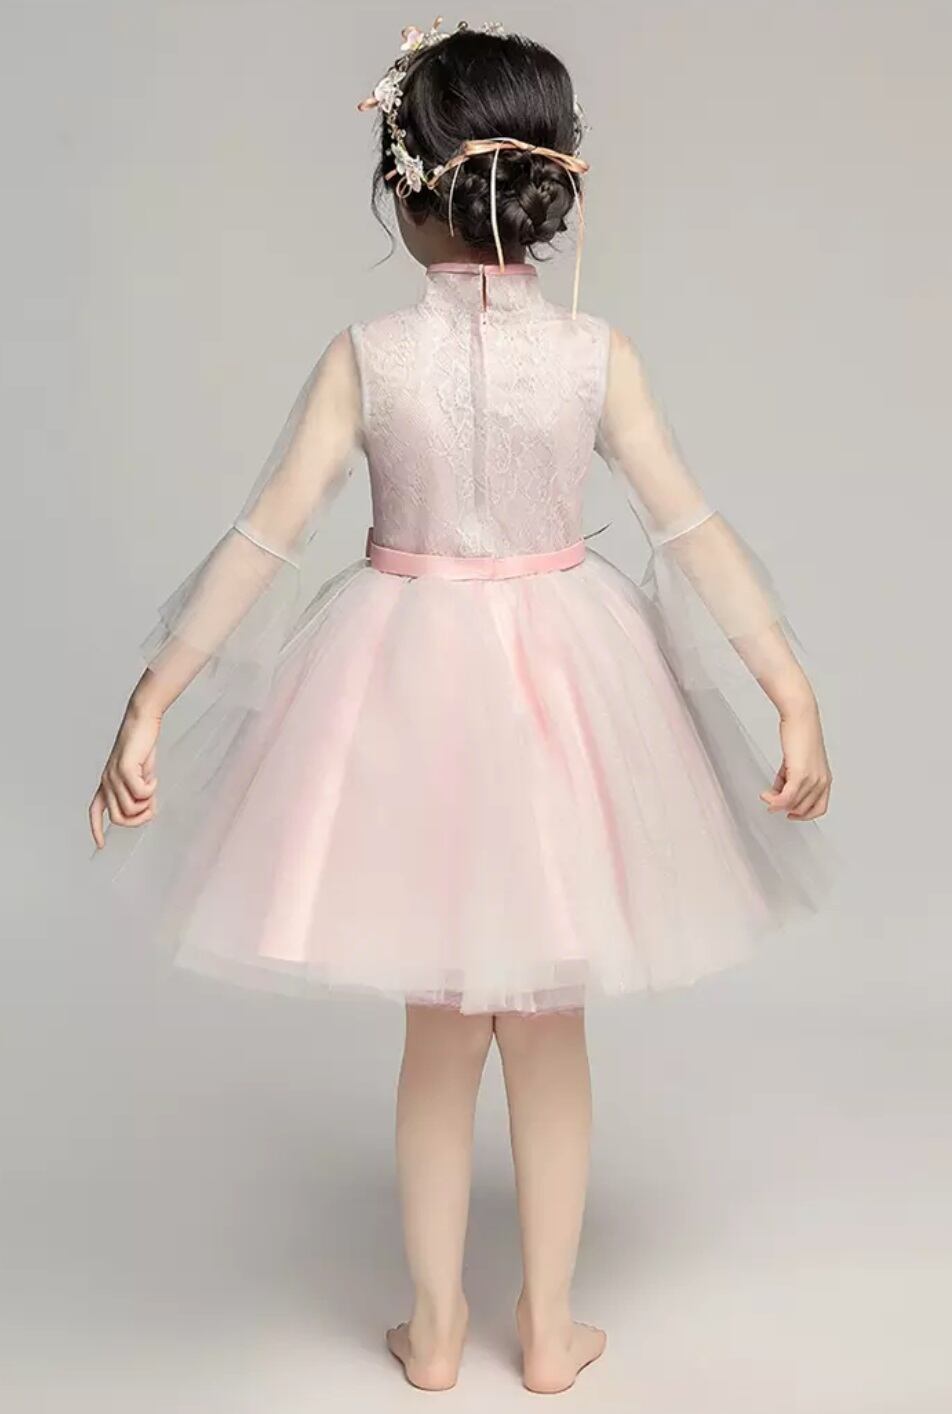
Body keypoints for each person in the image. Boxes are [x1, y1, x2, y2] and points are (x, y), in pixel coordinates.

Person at [88, 18, 832, 1396]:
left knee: (439, 1032)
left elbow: (264, 542)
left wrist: (152, 699)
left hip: (404, 692)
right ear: (553, 185)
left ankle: (434, 1332)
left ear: (405, 180)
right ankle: (548, 1329)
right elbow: (689, 528)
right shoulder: (595, 354)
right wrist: (787, 683)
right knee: (547, 1030)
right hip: (570, 694)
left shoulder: (368, 356)